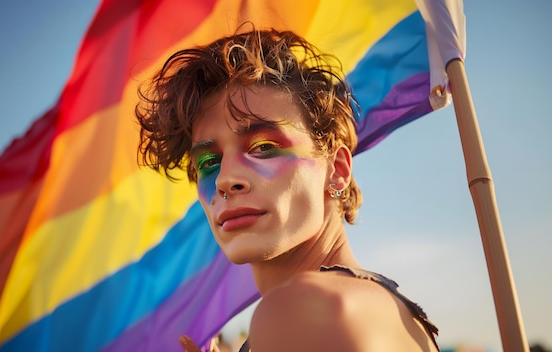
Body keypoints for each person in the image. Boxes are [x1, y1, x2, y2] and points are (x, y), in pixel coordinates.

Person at [136, 27, 439, 352]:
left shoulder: (305, 309)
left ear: (337, 170)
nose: (225, 180)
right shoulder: (378, 309)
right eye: (209, 162)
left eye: (264, 147)